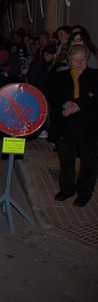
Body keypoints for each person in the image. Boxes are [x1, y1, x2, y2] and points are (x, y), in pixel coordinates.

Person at [48, 45, 98, 207]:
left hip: (88, 126)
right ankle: (67, 189)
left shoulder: (95, 76)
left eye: (82, 60)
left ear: (87, 59)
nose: (79, 63)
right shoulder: (61, 76)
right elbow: (54, 95)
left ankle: (84, 192)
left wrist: (78, 105)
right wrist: (65, 104)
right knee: (66, 159)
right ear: (69, 61)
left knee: (89, 161)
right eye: (75, 60)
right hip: (66, 124)